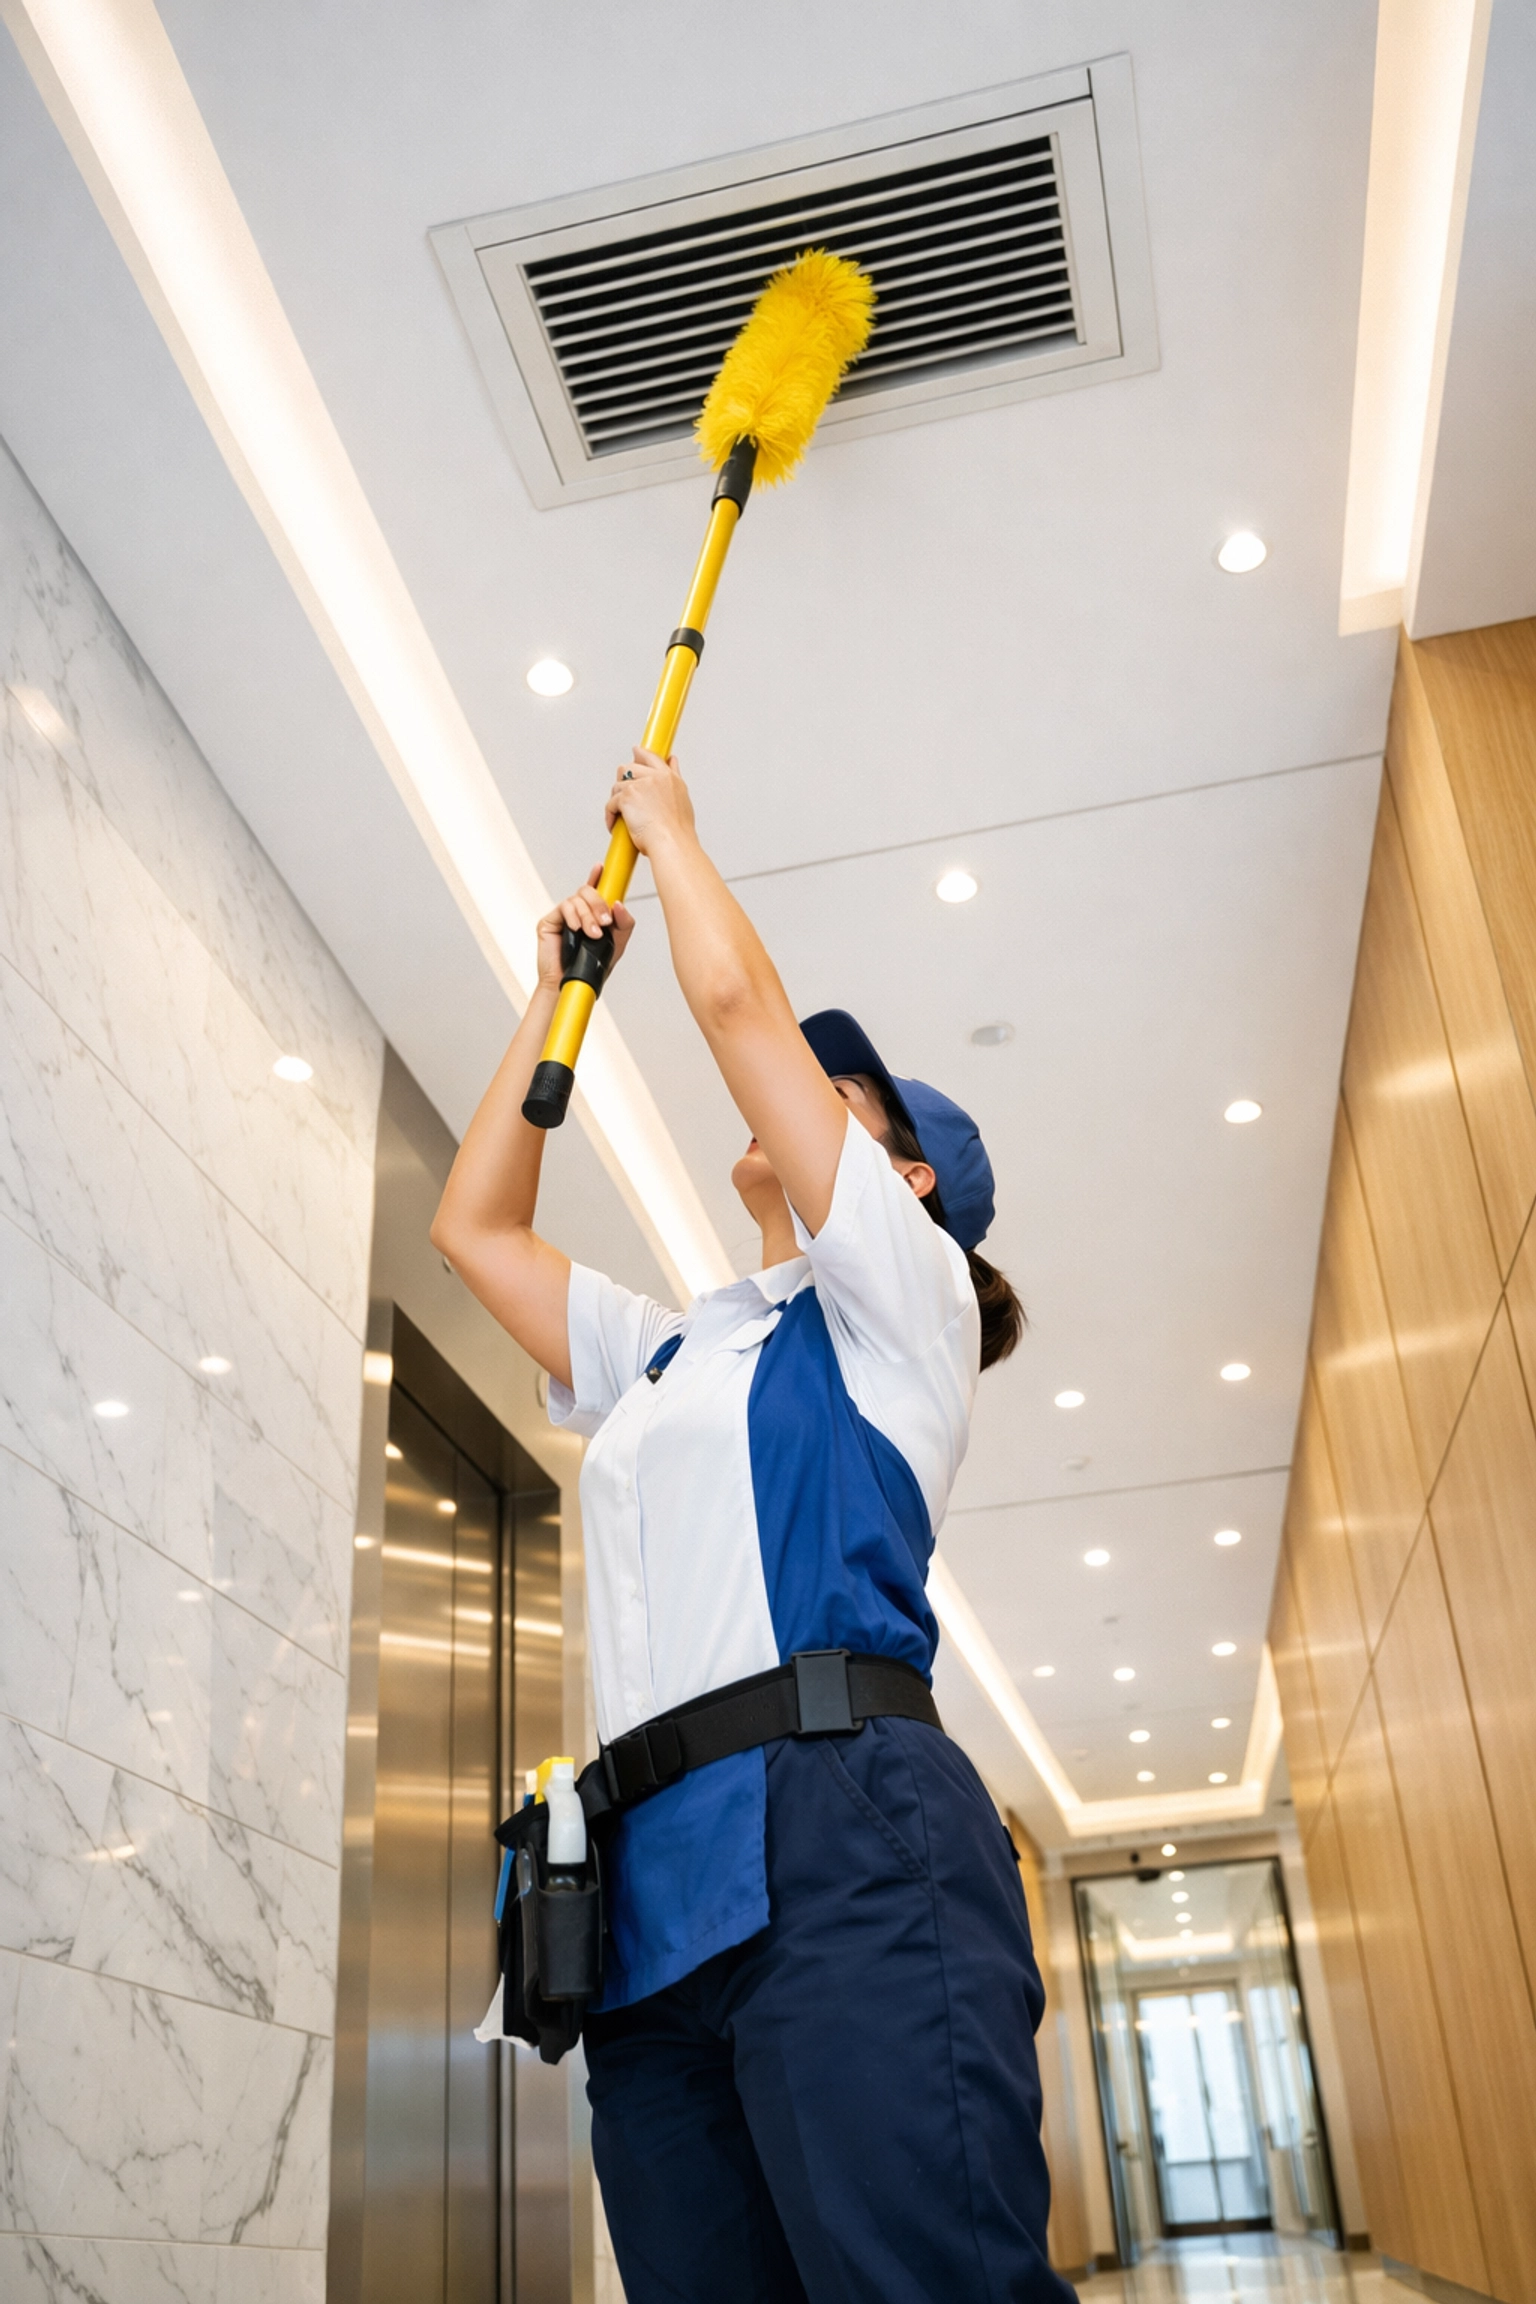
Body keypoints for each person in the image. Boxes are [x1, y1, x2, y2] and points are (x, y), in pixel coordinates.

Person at [433, 746, 1073, 2304]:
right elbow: (476, 1234)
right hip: (644, 1890)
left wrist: (672, 833)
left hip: (848, 1838)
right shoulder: (668, 1355)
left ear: (903, 1176)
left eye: (843, 1094)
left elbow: (738, 1019)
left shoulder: (904, 1307)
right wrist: (554, 987)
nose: (801, 1084)